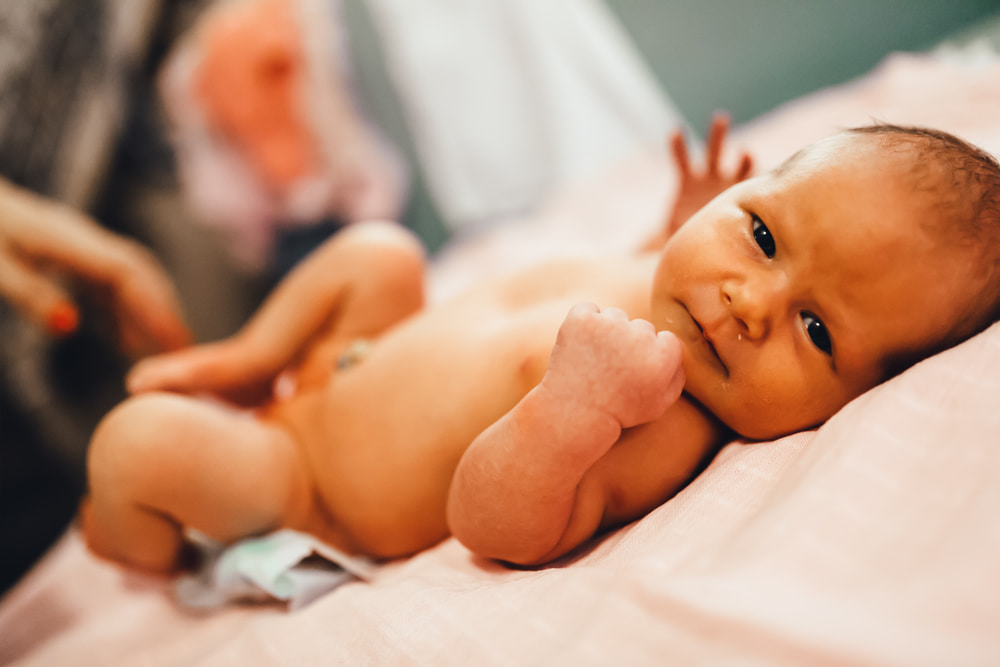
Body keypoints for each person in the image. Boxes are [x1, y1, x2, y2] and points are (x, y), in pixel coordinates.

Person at [81, 119, 1000, 572]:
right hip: (357, 357)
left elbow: (497, 526)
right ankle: (246, 360)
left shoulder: (664, 419)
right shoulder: (675, 286)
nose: (746, 301)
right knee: (381, 254)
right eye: (761, 234)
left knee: (135, 441)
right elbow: (623, 277)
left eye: (815, 329)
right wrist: (666, 230)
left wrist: (571, 411)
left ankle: (139, 544)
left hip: (309, 479)